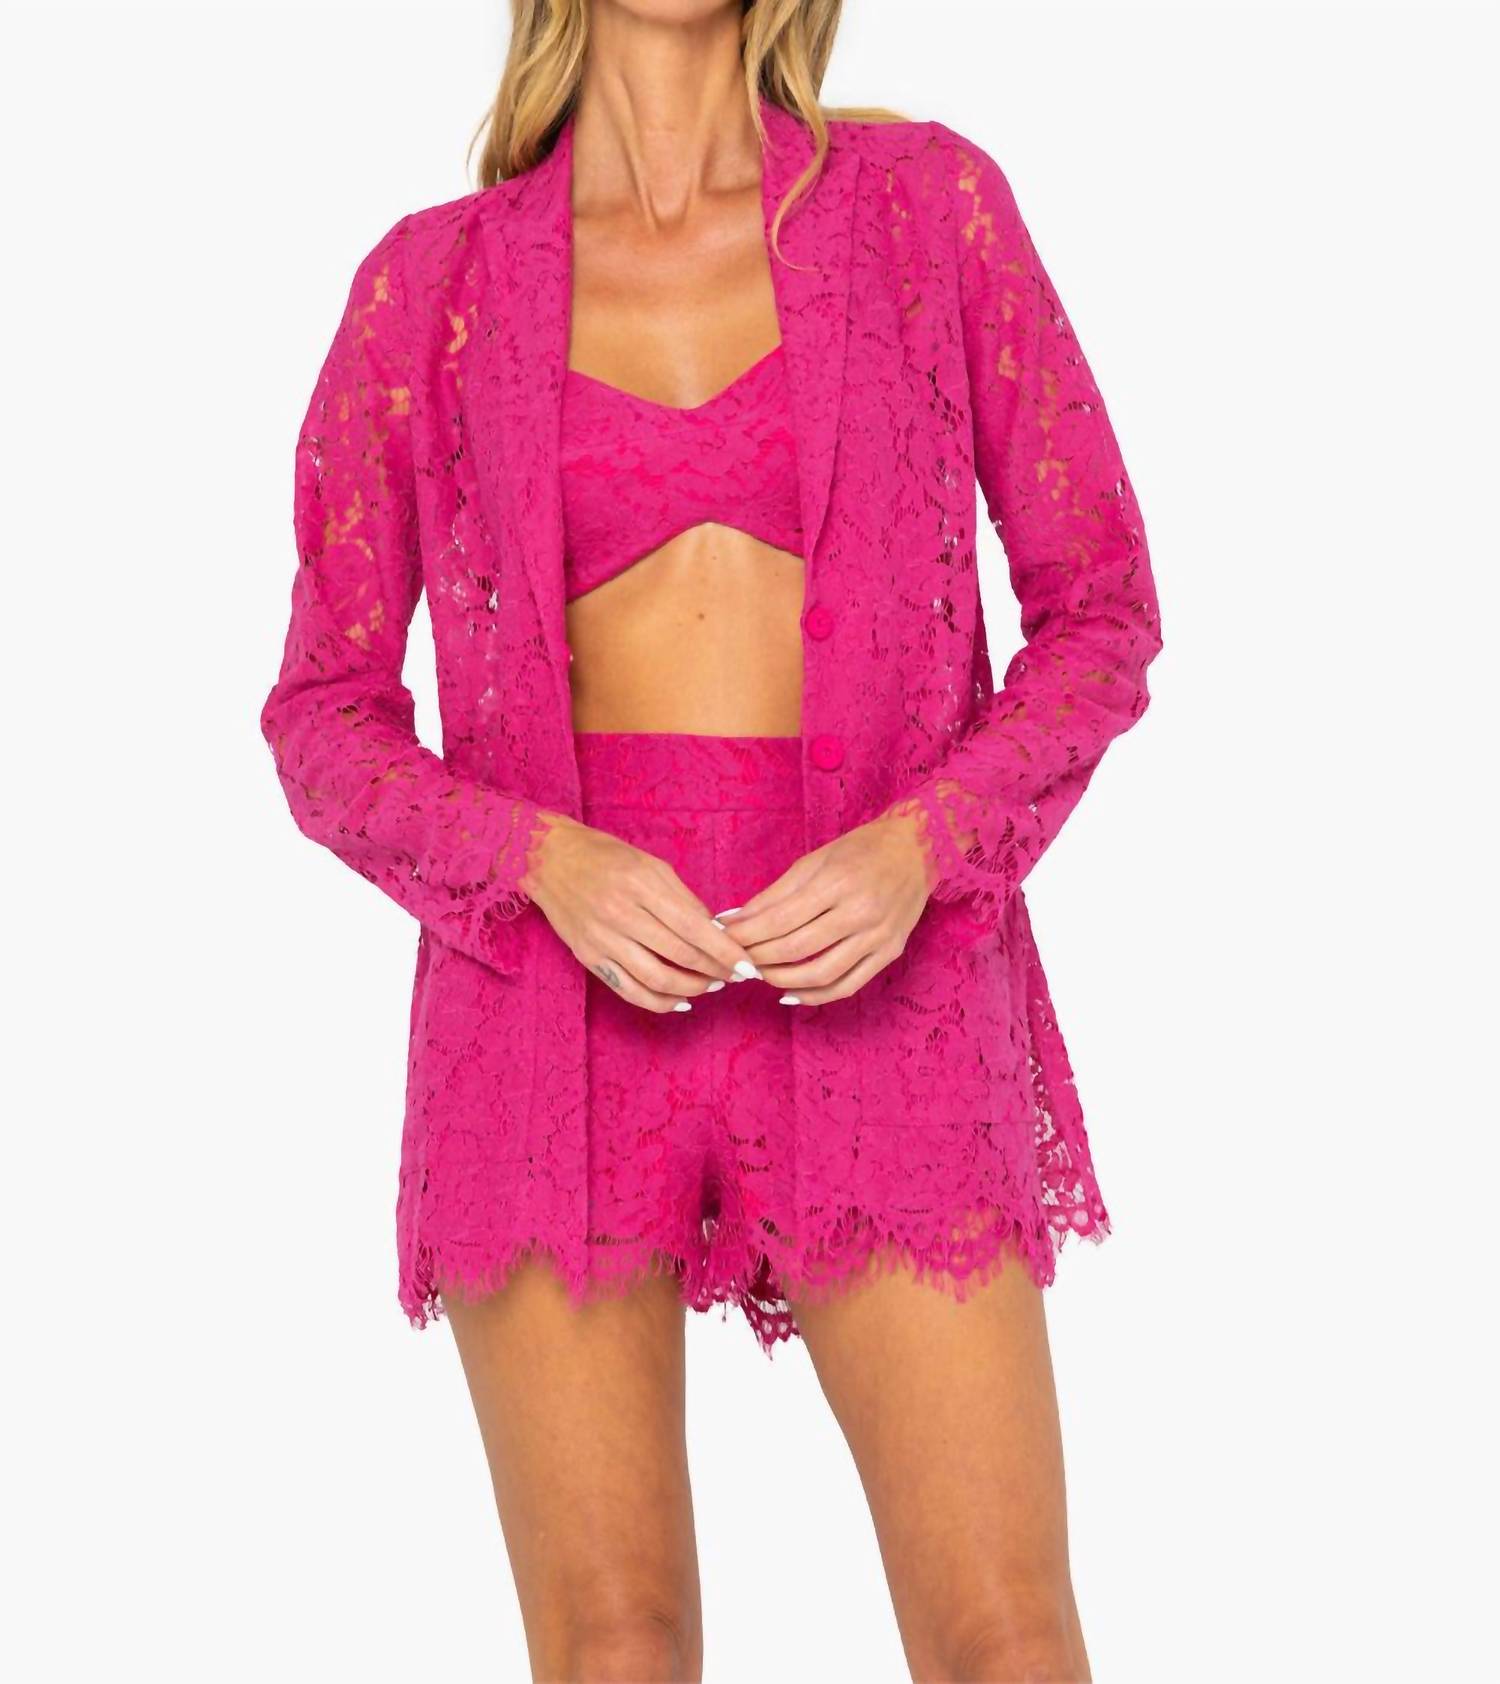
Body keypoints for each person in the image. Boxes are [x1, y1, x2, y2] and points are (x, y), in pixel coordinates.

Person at [259, 2, 1162, 1677]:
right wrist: (537, 860)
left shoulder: (929, 212)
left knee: (1005, 1638)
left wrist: (926, 844)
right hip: (550, 1023)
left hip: (886, 992)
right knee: (617, 1645)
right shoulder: (431, 290)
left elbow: (1101, 608)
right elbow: (323, 712)